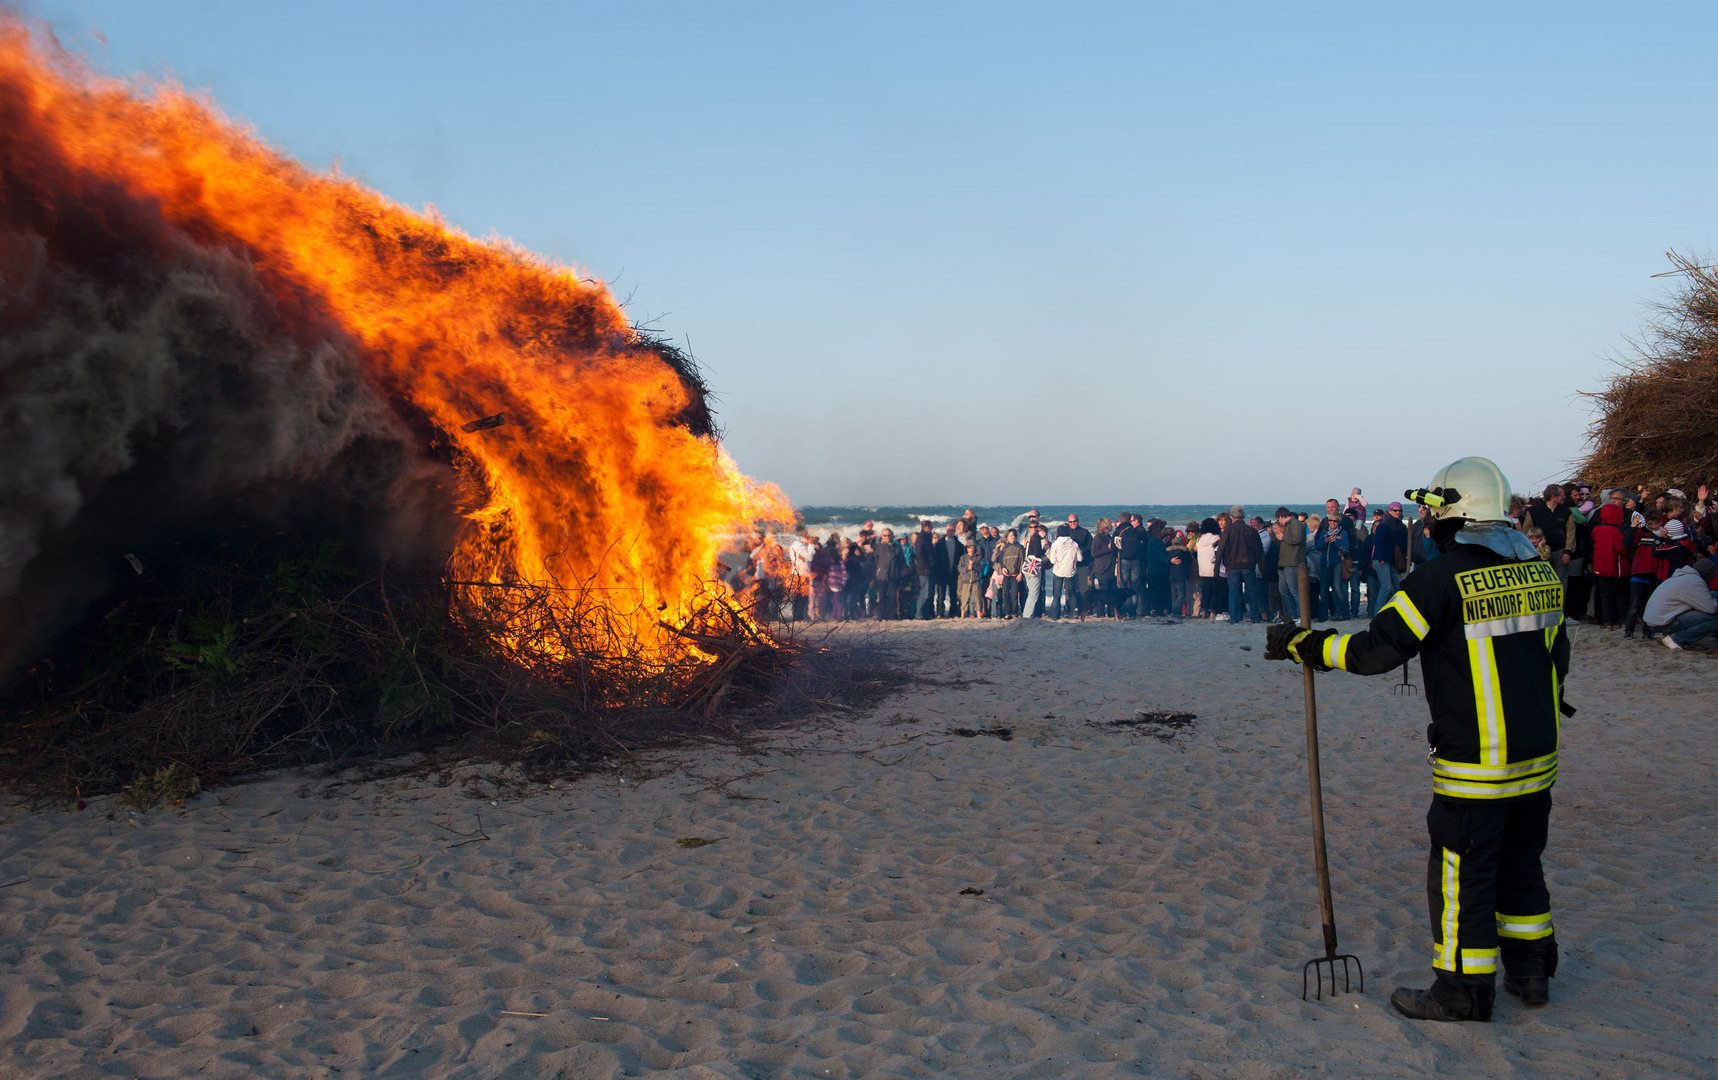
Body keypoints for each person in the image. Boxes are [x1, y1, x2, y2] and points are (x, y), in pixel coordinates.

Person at [1266, 457, 1571, 1023]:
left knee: (1462, 875)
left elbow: (1374, 652)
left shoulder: (1436, 580)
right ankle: (1531, 974)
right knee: (1523, 864)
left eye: (1433, 513)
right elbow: (1558, 657)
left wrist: (1305, 646)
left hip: (1478, 763)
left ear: (1453, 514)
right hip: (1539, 756)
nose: (1427, 524)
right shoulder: (1540, 571)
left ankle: (1461, 992)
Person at [1644, 557, 1718, 649]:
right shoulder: (1694, 581)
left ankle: (1668, 636)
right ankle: (1677, 639)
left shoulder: (1683, 576)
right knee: (1715, 617)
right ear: (1708, 574)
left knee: (1712, 595)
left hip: (1654, 621)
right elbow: (1711, 608)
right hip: (1663, 623)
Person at [1218, 505, 1264, 624]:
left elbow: (1221, 549)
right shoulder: (1252, 530)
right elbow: (1259, 551)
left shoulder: (1228, 530)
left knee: (1233, 592)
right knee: (1252, 592)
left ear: (1232, 517)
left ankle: (1234, 618)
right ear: (1243, 516)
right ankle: (1255, 616)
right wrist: (1263, 568)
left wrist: (1217, 567)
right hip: (1248, 565)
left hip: (1232, 565)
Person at [1371, 501, 1410, 615]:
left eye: (1400, 510)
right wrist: (1382, 558)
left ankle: (1395, 612)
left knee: (1398, 587)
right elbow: (1378, 542)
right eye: (1395, 510)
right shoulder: (1384, 524)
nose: (1398, 512)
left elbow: (1404, 543)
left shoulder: (1401, 525)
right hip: (1382, 559)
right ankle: (1377, 614)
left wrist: (1405, 556)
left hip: (1394, 560)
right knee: (1386, 587)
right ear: (1389, 511)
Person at [1311, 513, 1351, 621]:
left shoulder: (1343, 533)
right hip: (1325, 564)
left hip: (1337, 564)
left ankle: (1344, 612)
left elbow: (1346, 549)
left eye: (1335, 521)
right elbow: (1318, 547)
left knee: (1337, 588)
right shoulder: (1324, 533)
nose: (1332, 523)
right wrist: (1325, 541)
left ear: (1339, 522)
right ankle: (1323, 616)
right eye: (1330, 521)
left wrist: (1336, 542)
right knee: (1324, 590)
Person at [1274, 507, 1306, 622]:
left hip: (1293, 562)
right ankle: (1293, 615)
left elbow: (1297, 539)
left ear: (1281, 516)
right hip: (1284, 562)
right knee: (1284, 591)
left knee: (1294, 591)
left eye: (1278, 519)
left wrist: (1283, 537)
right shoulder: (1288, 525)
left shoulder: (1295, 524)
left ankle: (1301, 615)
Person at [1048, 524, 1083, 619]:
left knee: (1057, 595)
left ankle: (1055, 615)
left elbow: (1052, 561)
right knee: (1072, 593)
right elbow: (1080, 558)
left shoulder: (1055, 544)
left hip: (1058, 571)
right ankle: (1074, 613)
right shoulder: (1074, 544)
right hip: (1070, 571)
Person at [870, 528, 904, 620]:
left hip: (893, 576)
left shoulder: (897, 547)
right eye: (885, 535)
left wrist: (899, 572)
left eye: (889, 535)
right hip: (881, 577)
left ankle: (892, 615)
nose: (887, 537)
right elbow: (876, 562)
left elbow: (901, 562)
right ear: (882, 536)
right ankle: (881, 615)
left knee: (892, 597)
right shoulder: (879, 548)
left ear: (892, 536)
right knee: (882, 597)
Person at [994, 528, 1025, 618]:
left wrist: (1020, 573)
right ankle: (1007, 612)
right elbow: (1001, 560)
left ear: (1016, 537)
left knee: (1014, 595)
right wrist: (1003, 568)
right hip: (1007, 575)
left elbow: (1022, 561)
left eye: (1013, 536)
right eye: (1010, 536)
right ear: (1007, 538)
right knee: (1005, 594)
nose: (1012, 538)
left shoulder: (1020, 547)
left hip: (1016, 575)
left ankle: (1014, 612)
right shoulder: (1005, 548)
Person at [912, 521, 937, 620]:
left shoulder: (927, 537)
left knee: (929, 592)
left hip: (929, 568)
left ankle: (925, 613)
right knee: (925, 592)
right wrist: (925, 566)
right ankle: (919, 614)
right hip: (924, 569)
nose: (932, 528)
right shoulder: (921, 538)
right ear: (926, 527)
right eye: (931, 526)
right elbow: (920, 554)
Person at [957, 537, 984, 618]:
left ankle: (978, 615)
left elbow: (981, 568)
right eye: (969, 548)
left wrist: (974, 566)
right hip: (966, 580)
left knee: (977, 598)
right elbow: (960, 568)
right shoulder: (963, 557)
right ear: (967, 548)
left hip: (976, 580)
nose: (971, 550)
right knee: (964, 598)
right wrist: (967, 568)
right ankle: (962, 615)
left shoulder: (978, 557)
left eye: (972, 548)